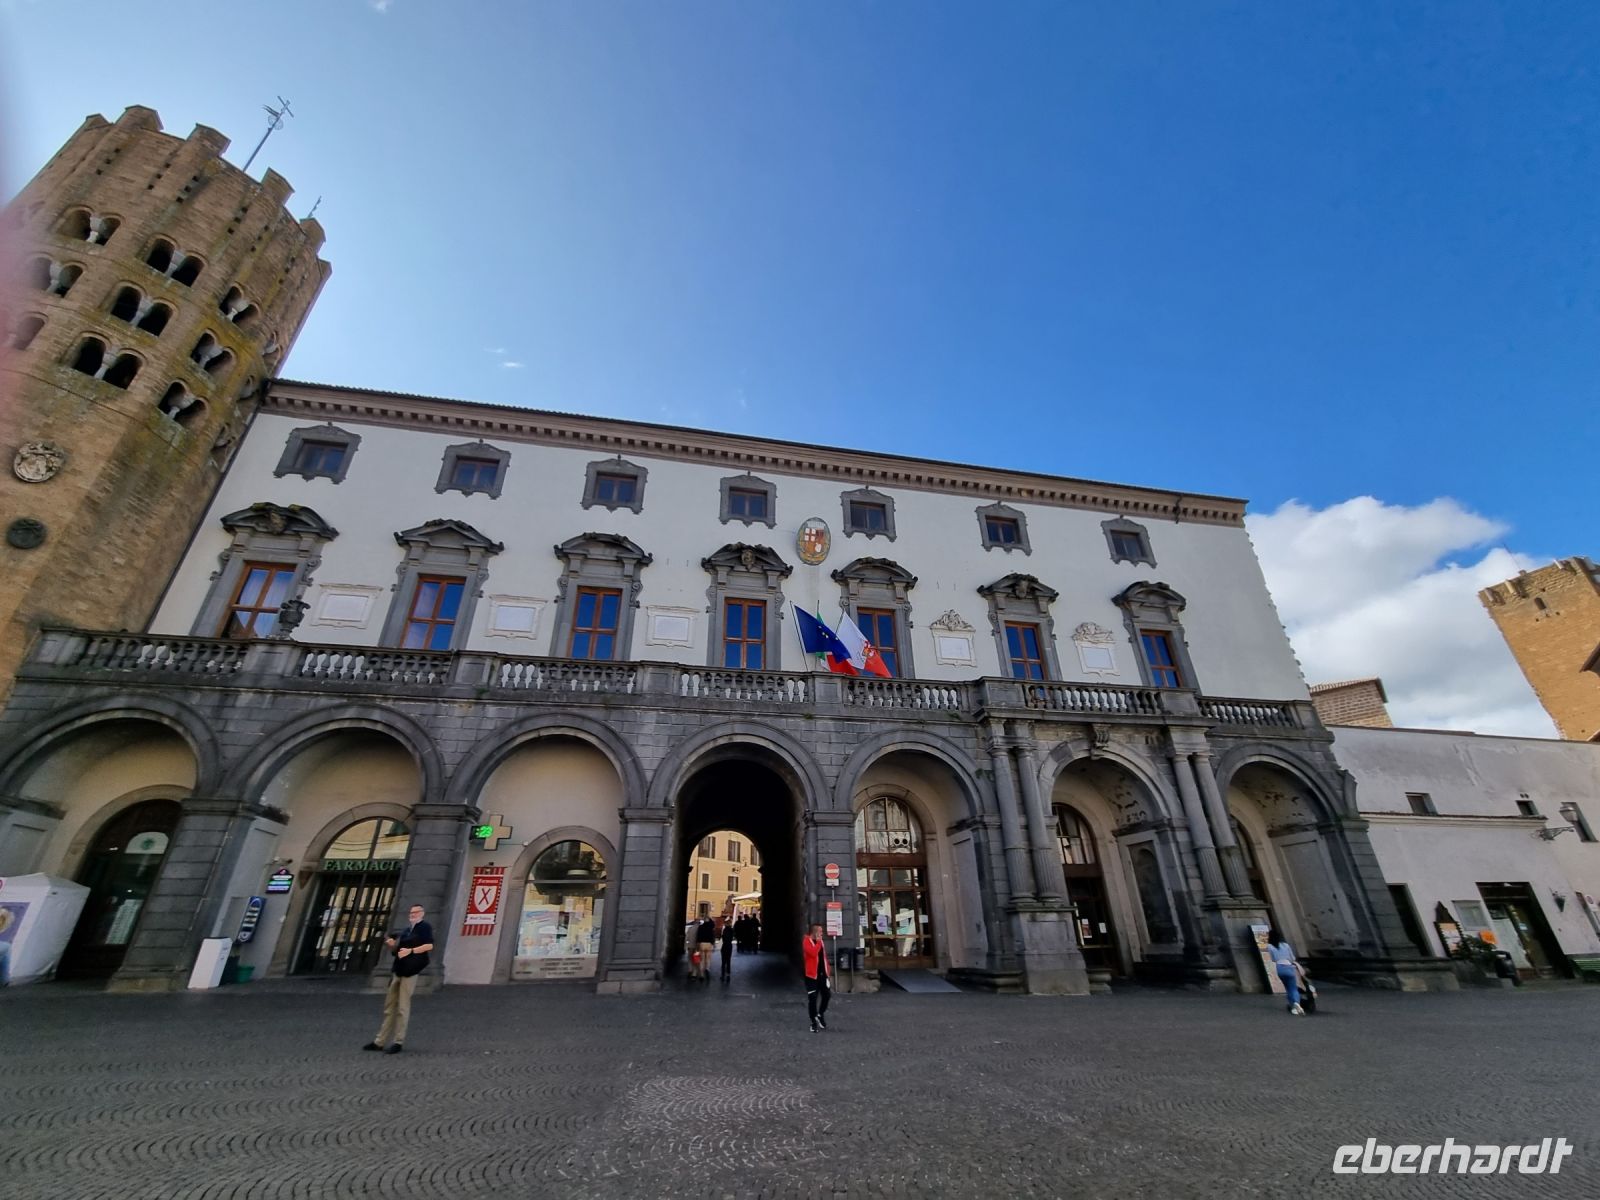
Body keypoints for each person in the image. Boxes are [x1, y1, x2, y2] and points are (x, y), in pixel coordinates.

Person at [363, 903, 434, 1053]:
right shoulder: (407, 930)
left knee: (402, 1007)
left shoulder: (425, 928)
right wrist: (392, 945)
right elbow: (398, 950)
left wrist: (411, 950)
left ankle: (398, 1041)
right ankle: (380, 1041)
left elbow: (429, 946)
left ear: (422, 913)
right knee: (389, 1007)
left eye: (416, 912)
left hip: (411, 971)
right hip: (399, 969)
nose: (412, 914)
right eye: (411, 912)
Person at [1266, 927, 1303, 1016]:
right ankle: (1296, 1003)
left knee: (1287, 987)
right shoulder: (1286, 945)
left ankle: (1292, 1005)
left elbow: (1273, 959)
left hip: (1280, 968)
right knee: (1293, 988)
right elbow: (1292, 958)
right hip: (1289, 967)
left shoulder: (1270, 946)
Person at [802, 921, 831, 1031]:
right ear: (814, 932)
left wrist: (827, 969)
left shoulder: (821, 942)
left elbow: (823, 956)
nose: (822, 933)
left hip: (822, 975)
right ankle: (813, 1022)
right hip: (811, 976)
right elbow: (813, 953)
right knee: (813, 999)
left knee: (827, 996)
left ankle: (820, 1014)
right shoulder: (806, 941)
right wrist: (818, 943)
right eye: (820, 931)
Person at [696, 916, 717, 982]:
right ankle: (707, 968)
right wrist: (713, 944)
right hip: (709, 944)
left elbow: (698, 936)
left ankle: (702, 975)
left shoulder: (701, 927)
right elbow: (713, 936)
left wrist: (697, 945)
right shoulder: (711, 927)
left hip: (702, 944)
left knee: (702, 960)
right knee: (708, 959)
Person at [720, 915, 736, 981]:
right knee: (728, 960)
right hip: (729, 946)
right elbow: (733, 937)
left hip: (724, 946)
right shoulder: (732, 930)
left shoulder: (724, 930)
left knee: (723, 961)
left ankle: (723, 974)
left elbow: (723, 938)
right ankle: (728, 974)